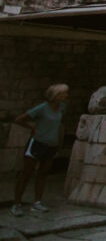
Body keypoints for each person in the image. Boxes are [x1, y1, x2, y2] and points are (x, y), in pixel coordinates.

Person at [10, 83, 69, 216]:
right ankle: (16, 204)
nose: (66, 95)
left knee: (42, 174)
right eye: (64, 93)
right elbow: (19, 119)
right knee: (26, 174)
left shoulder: (62, 108)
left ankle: (37, 202)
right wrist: (33, 128)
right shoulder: (42, 108)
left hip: (51, 144)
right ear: (56, 95)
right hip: (38, 143)